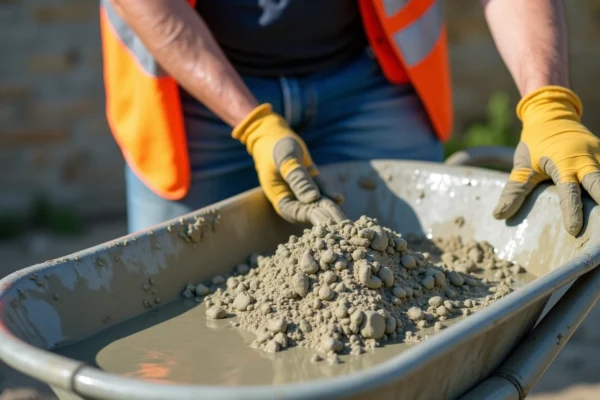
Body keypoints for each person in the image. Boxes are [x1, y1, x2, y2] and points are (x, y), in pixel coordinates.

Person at [100, 0, 599, 237]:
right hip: (194, 98)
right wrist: (251, 123)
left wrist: (547, 102)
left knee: (415, 274)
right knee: (184, 304)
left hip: (372, 76)